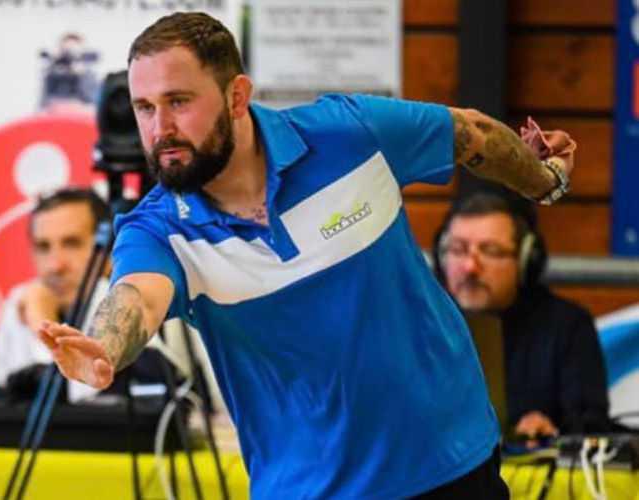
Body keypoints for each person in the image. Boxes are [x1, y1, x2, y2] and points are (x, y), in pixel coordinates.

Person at [35, 12, 577, 499]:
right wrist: (104, 345)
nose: (160, 130)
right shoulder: (156, 229)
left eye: (179, 102)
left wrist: (543, 181)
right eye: (144, 108)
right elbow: (138, 296)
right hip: (307, 490)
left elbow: (470, 134)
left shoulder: (349, 132)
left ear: (237, 96)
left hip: (451, 467)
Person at [434, 191, 610, 438]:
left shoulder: (567, 326)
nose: (470, 267)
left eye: (490, 250)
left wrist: (553, 434)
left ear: (526, 260)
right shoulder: (422, 325)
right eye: (457, 249)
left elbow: (591, 430)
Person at [0, 187, 167, 402]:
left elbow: (83, 406)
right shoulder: (23, 300)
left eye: (71, 244)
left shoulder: (130, 298)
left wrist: (42, 323)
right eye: (43, 247)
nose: (55, 266)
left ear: (110, 253)